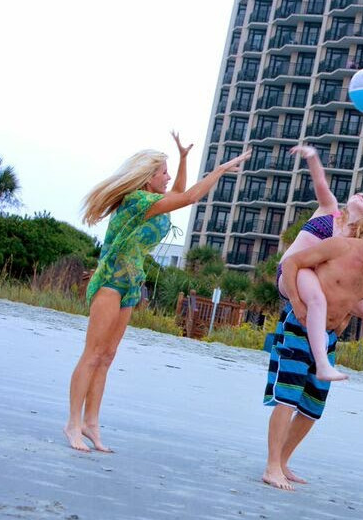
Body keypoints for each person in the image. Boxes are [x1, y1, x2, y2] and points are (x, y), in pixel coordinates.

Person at [63, 134, 251, 452]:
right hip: (109, 282)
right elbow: (189, 197)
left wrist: (182, 159)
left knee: (107, 358)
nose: (167, 177)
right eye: (162, 172)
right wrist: (218, 171)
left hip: (131, 287)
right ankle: (72, 423)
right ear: (148, 178)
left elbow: (179, 192)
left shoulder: (156, 204)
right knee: (92, 354)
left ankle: (91, 424)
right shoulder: (137, 201)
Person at [263, 209, 363, 490]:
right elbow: (293, 263)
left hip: (328, 337)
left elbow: (348, 299)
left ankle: (283, 462)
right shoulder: (340, 246)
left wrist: (340, 325)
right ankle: (271, 467)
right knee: (288, 397)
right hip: (300, 324)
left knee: (311, 407)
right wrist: (295, 300)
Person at [276, 145, 363, 395]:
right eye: (359, 193)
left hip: (317, 280)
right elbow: (320, 183)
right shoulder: (331, 210)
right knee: (315, 298)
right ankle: (323, 364)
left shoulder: (359, 239)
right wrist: (312, 156)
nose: (362, 196)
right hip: (292, 273)